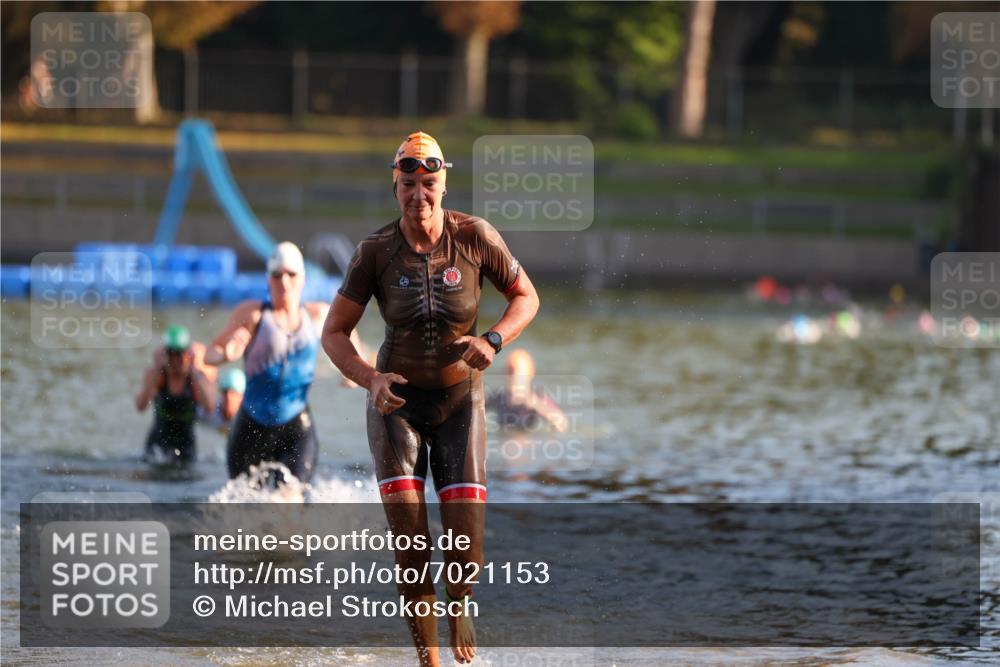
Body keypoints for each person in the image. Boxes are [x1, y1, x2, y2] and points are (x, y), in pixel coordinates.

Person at [321, 131, 540, 666]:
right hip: (396, 410)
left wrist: (493, 340)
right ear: (394, 187)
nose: (419, 196)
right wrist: (368, 379)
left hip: (460, 404)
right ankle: (429, 663)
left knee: (464, 549)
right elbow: (333, 333)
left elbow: (526, 297)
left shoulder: (475, 237)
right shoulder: (375, 251)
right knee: (412, 550)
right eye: (408, 185)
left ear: (443, 185)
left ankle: (461, 603)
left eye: (429, 185)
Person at [204, 242, 329, 487]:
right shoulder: (253, 314)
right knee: (245, 510)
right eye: (276, 275)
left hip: (296, 428)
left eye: (291, 275)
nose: (284, 282)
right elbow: (210, 354)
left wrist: (356, 372)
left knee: (289, 504)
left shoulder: (318, 315)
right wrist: (226, 355)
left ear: (302, 278)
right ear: (268, 279)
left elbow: (355, 348)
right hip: (250, 428)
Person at [135, 325, 216, 465]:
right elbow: (140, 406)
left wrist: (193, 370)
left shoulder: (197, 378)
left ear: (188, 354)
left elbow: (209, 407)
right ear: (165, 354)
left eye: (180, 353)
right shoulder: (157, 376)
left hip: (186, 446)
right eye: (171, 353)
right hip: (157, 446)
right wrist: (157, 368)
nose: (176, 359)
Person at [488, 348, 568, 433]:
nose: (512, 377)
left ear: (530, 373)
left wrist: (535, 405)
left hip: (527, 440)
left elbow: (562, 424)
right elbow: (476, 409)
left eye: (517, 372)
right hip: (504, 438)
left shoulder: (538, 398)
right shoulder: (498, 397)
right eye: (509, 371)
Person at [198, 367, 246, 433]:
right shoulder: (210, 411)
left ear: (241, 397)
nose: (228, 397)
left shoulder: (244, 421)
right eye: (225, 392)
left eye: (233, 393)